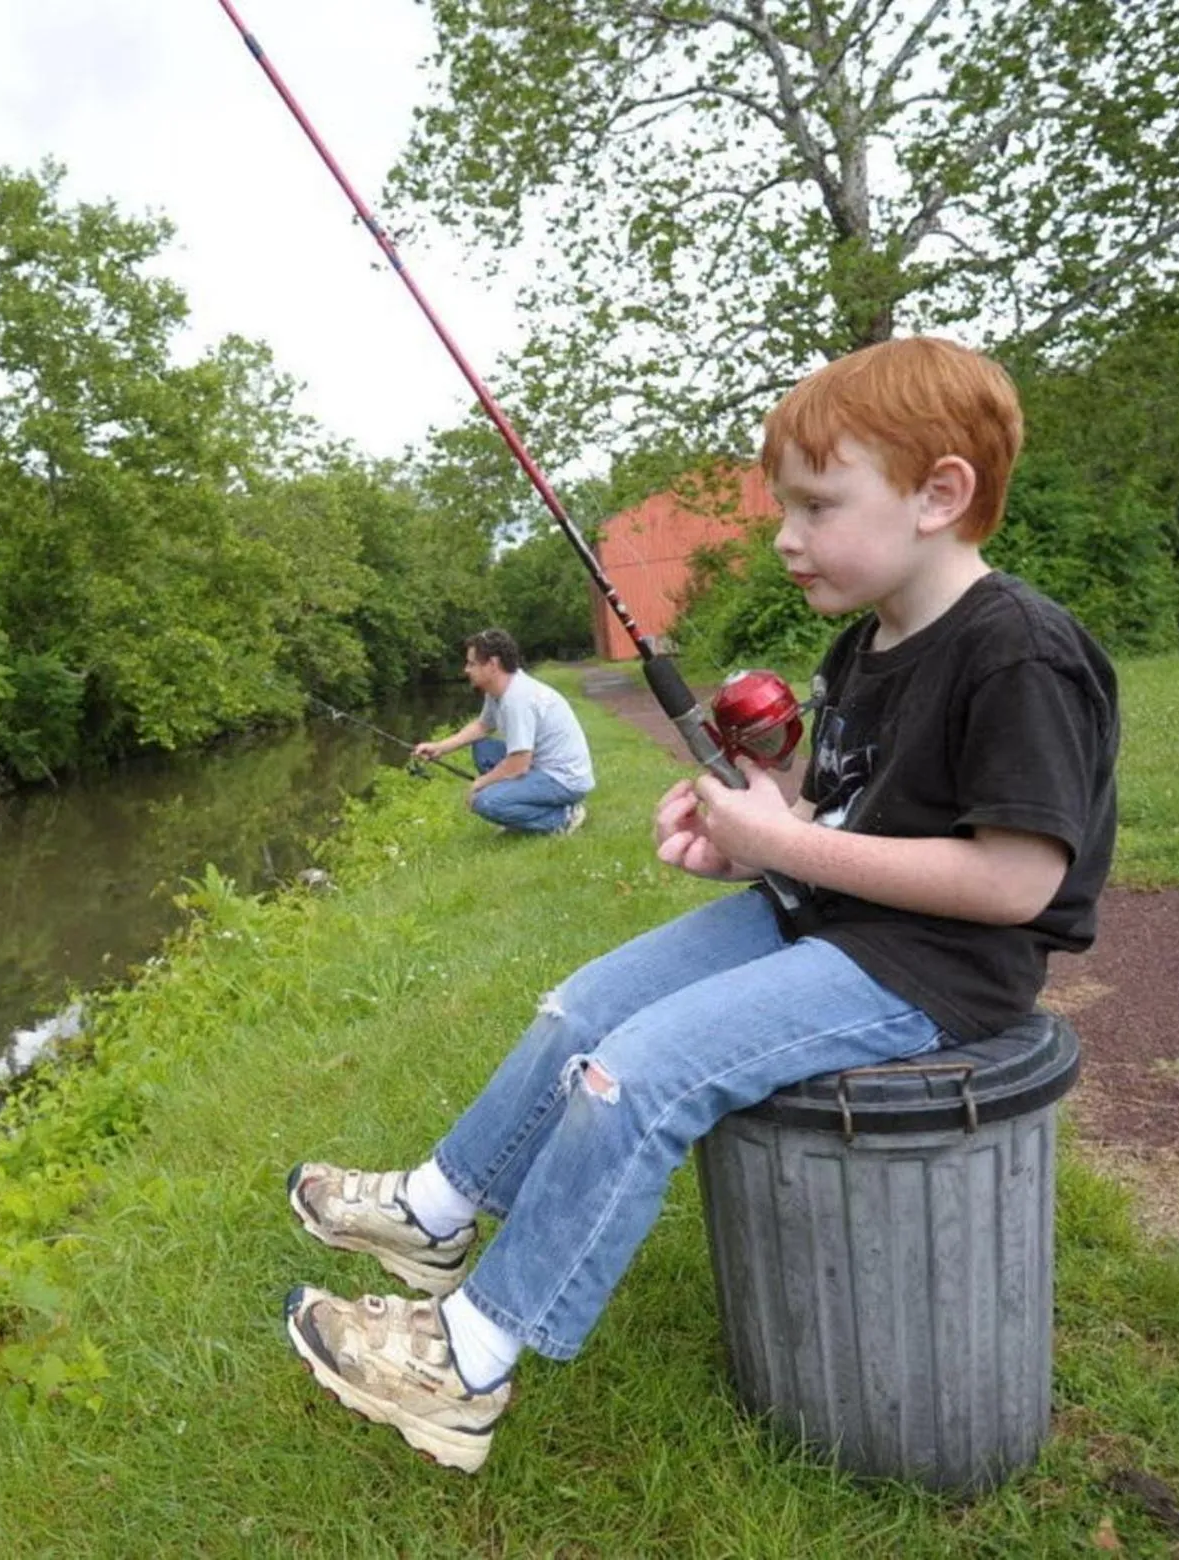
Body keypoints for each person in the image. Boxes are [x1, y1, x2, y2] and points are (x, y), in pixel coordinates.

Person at [282, 336, 1119, 1473]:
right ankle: (437, 1210)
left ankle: (466, 1362)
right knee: (581, 1011)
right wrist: (751, 844)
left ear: (938, 494)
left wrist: (783, 840)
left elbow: (1018, 881)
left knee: (639, 1070)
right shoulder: (864, 643)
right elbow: (842, 829)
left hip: (935, 969)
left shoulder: (1016, 649)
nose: (784, 536)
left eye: (816, 505)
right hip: (827, 919)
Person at [413, 629, 595, 836]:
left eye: (472, 663)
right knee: (483, 748)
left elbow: (518, 764)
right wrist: (440, 747)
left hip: (564, 780)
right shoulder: (499, 690)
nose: (466, 669)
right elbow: (482, 726)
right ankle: (517, 812)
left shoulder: (517, 699)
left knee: (485, 802)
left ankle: (564, 817)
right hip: (542, 766)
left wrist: (479, 785)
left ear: (492, 665)